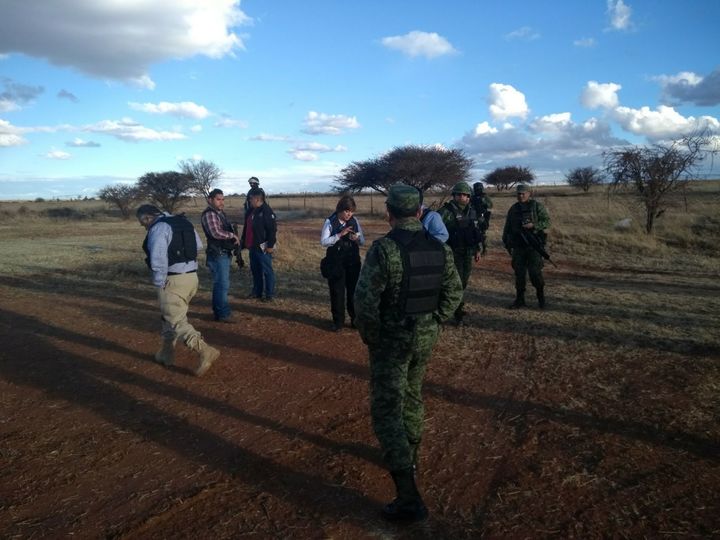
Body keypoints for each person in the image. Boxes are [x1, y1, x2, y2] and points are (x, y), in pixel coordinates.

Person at [354, 184, 463, 522]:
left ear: (389, 214)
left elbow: (365, 302)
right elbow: (454, 292)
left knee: (387, 408)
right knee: (413, 393)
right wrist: (435, 321)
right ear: (419, 212)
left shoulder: (384, 250)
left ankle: (408, 495)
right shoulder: (439, 248)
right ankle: (411, 453)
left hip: (393, 341)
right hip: (425, 337)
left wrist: (373, 338)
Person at [136, 204, 219, 376]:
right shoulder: (183, 222)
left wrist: (159, 282)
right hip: (191, 277)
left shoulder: (159, 228)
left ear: (147, 218)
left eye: (142, 222)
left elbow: (158, 258)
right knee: (170, 316)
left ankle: (204, 350)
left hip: (172, 280)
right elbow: (198, 247)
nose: (142, 226)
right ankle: (166, 353)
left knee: (176, 320)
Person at [438, 181, 484, 324]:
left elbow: (476, 232)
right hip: (451, 253)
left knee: (463, 282)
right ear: (454, 196)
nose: (462, 197)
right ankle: (452, 311)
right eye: (459, 194)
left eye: (465, 195)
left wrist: (477, 249)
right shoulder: (445, 212)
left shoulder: (472, 211)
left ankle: (458, 307)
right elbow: (436, 233)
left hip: (467, 253)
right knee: (452, 283)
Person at [320, 195, 365, 331]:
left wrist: (357, 238)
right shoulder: (330, 221)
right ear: (340, 209)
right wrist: (339, 235)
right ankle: (338, 322)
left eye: (351, 211)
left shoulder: (354, 221)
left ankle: (354, 320)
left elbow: (362, 241)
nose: (349, 214)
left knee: (353, 292)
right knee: (337, 292)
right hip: (336, 262)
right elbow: (323, 241)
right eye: (346, 211)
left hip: (352, 262)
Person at [502, 183, 551, 309]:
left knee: (535, 273)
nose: (521, 195)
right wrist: (506, 241)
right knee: (519, 273)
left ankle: (541, 299)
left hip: (533, 246)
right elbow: (507, 226)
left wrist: (534, 225)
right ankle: (519, 300)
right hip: (518, 246)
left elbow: (547, 222)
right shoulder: (513, 209)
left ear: (529, 193)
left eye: (523, 193)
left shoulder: (536, 207)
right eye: (519, 193)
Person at [200, 189, 239, 323]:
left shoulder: (219, 213)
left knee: (222, 284)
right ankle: (222, 314)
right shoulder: (210, 214)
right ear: (210, 200)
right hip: (218, 254)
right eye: (218, 199)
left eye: (223, 199)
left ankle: (221, 311)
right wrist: (232, 235)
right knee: (221, 285)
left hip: (222, 253)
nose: (221, 202)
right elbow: (215, 232)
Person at [240, 188, 277, 302]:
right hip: (252, 247)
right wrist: (243, 242)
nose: (249, 201)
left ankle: (269, 295)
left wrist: (270, 245)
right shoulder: (251, 211)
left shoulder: (266, 211)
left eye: (250, 199)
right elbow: (247, 228)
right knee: (255, 271)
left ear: (257, 199)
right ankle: (257, 292)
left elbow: (272, 230)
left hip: (263, 248)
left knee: (267, 271)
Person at [470, 182, 493, 255]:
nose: (478, 190)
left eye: (479, 188)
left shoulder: (485, 197)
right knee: (473, 232)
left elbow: (490, 205)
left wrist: (483, 201)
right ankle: (476, 249)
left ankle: (484, 249)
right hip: (473, 216)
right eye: (476, 188)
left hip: (482, 216)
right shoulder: (472, 197)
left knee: (482, 233)